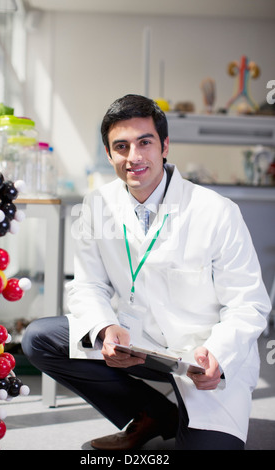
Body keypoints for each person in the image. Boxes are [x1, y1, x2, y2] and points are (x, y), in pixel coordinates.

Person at [22, 94, 271, 450]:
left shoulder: (217, 212)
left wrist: (218, 353)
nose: (133, 157)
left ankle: (195, 415)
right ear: (108, 155)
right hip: (140, 343)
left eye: (145, 142)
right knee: (40, 338)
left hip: (204, 356)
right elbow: (88, 284)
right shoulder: (98, 205)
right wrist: (107, 328)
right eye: (121, 146)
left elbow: (249, 303)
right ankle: (154, 413)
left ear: (165, 145)